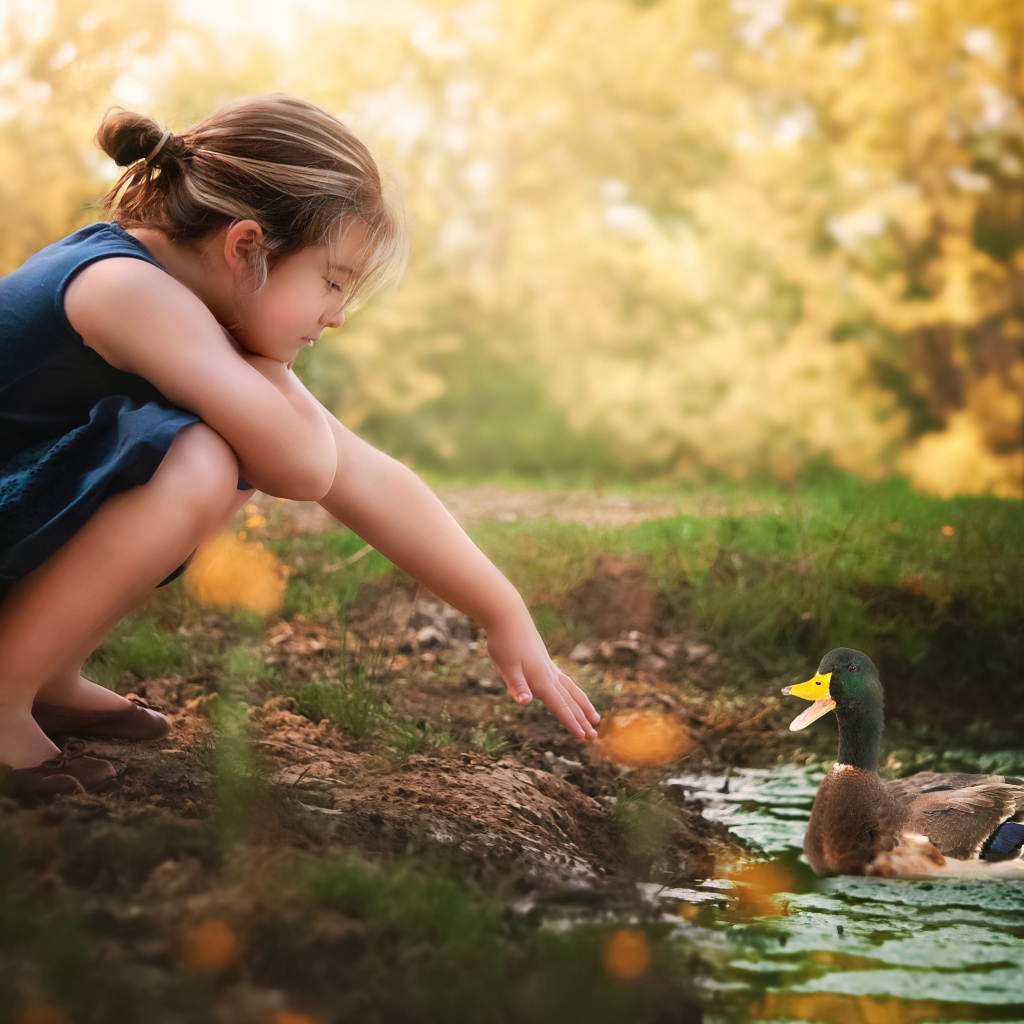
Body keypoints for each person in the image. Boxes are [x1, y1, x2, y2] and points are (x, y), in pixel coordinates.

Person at [0, 94, 600, 799]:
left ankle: (43, 673)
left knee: (218, 444)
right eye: (333, 282)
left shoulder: (180, 301)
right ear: (246, 247)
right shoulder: (125, 288)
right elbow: (305, 466)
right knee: (200, 458)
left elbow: (365, 475)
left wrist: (502, 609)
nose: (337, 316)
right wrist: (274, 375)